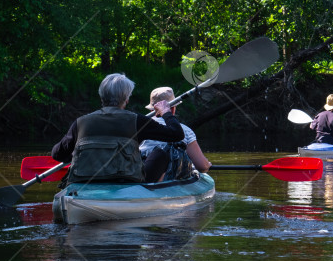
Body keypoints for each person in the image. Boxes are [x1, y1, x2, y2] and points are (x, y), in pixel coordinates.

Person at [51, 73, 184, 185]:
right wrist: (166, 112)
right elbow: (177, 134)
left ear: (101, 96)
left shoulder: (81, 122)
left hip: (84, 182)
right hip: (124, 182)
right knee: (160, 154)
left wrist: (80, 157)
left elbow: (57, 154)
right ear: (126, 99)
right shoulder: (137, 121)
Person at [139, 87, 212, 181]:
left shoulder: (138, 126)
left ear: (151, 110)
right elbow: (202, 166)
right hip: (171, 179)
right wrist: (207, 165)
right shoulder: (185, 130)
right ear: (173, 109)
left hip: (142, 175)